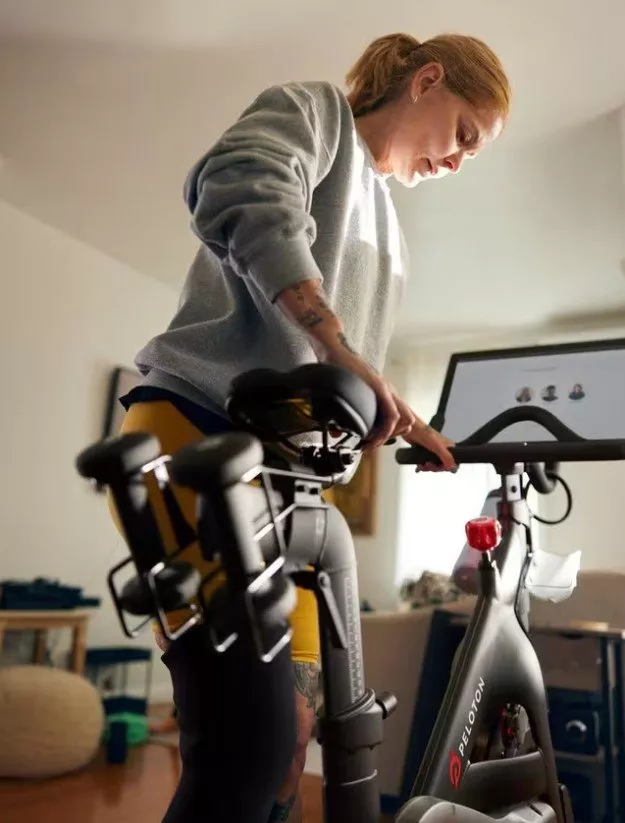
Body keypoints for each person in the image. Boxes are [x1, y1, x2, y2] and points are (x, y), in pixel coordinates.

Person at [109, 30, 511, 823]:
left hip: (290, 489)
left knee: (293, 735)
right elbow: (240, 184)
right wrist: (332, 341)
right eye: (464, 133)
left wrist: (388, 409)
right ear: (427, 80)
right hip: (197, 438)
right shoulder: (317, 113)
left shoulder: (389, 230)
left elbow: (330, 369)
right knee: (243, 745)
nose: (460, 160)